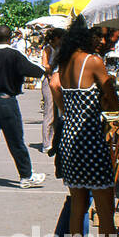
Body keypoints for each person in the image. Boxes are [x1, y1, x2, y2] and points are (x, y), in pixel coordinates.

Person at [52, 17, 119, 237]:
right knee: (106, 213)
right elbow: (112, 102)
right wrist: (110, 93)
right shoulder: (93, 61)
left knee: (77, 206)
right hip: (90, 139)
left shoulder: (66, 63)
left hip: (69, 139)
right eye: (100, 36)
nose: (103, 41)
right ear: (89, 37)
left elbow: (57, 89)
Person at [0, 24, 47, 192]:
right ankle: (25, 176)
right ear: (11, 38)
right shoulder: (15, 55)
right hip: (8, 101)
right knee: (16, 141)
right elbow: (36, 71)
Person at [39, 27, 64, 155]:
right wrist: (54, 64)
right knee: (49, 112)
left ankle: (54, 140)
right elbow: (46, 66)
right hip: (49, 81)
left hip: (58, 80)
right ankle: (46, 143)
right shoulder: (48, 49)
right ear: (55, 38)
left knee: (57, 113)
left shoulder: (60, 49)